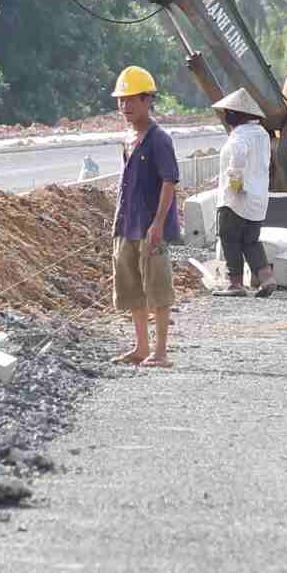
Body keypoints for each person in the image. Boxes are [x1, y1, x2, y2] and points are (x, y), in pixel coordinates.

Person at [110, 65, 180, 366]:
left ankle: (160, 352)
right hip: (128, 224)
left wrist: (158, 224)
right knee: (133, 290)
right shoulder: (128, 138)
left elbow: (169, 182)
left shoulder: (159, 139)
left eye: (131, 99)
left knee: (158, 289)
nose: (125, 106)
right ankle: (141, 348)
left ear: (147, 100)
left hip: (151, 227)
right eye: (121, 100)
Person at [211, 87, 274, 298]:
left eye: (227, 113)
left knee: (228, 237)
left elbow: (238, 155)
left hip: (235, 198)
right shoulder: (262, 134)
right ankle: (267, 278)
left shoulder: (239, 135)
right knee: (251, 240)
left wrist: (235, 179)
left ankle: (235, 283)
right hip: (258, 198)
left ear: (235, 114)